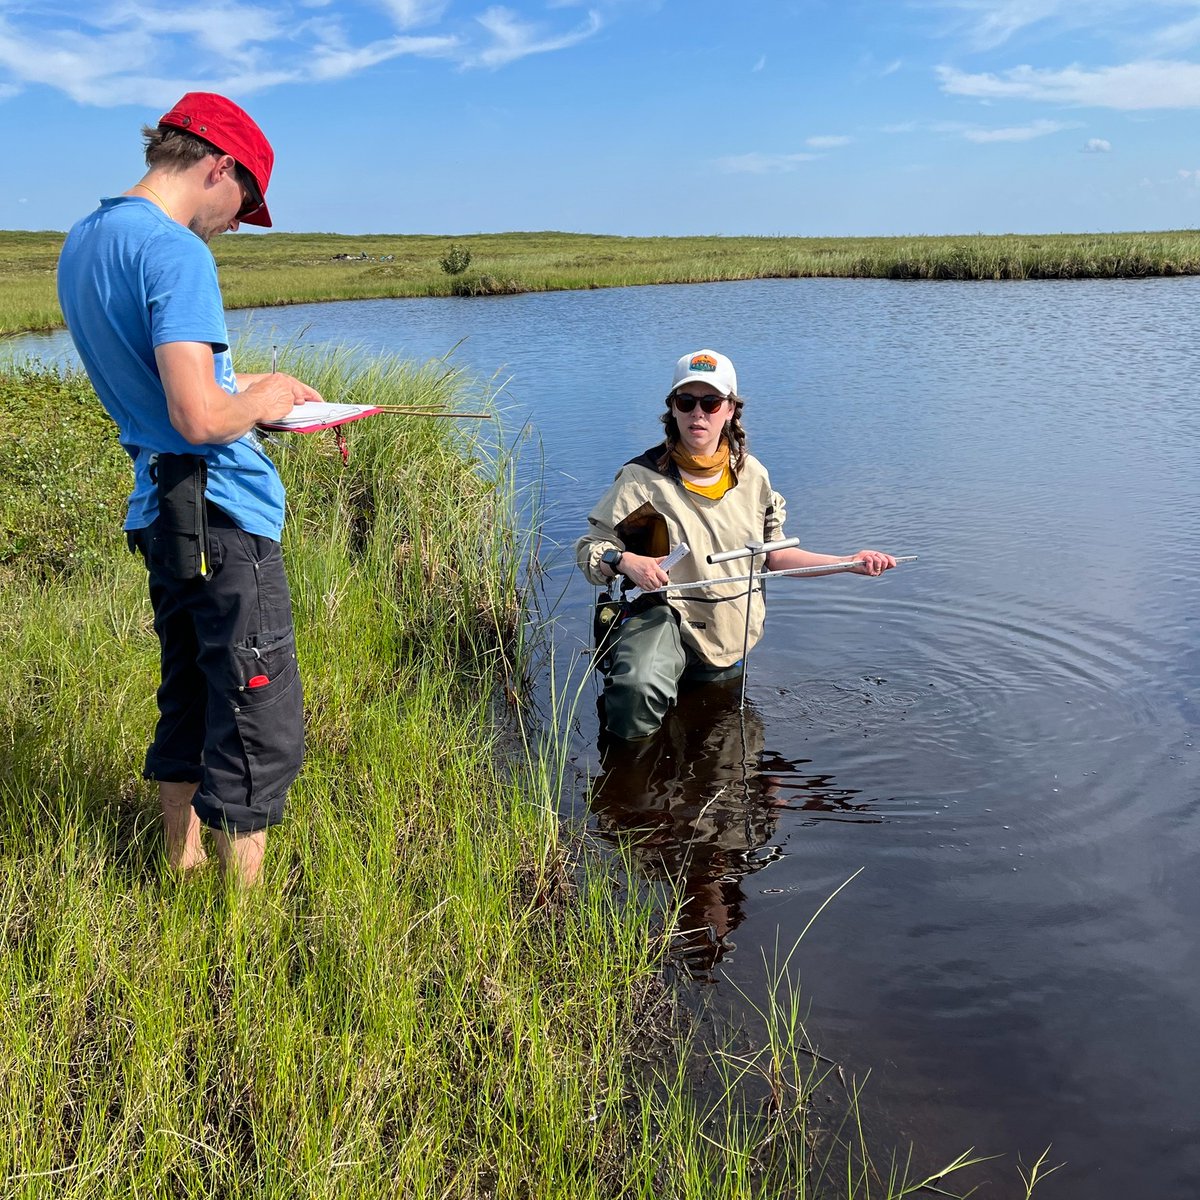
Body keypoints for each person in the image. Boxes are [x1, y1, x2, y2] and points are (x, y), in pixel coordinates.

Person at [57, 92, 322, 885]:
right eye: (247, 201)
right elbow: (200, 414)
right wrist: (266, 398)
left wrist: (248, 406)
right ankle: (245, 924)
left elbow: (160, 403)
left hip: (161, 504)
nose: (238, 222)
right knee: (257, 710)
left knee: (190, 688)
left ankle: (182, 860)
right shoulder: (175, 252)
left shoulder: (84, 240)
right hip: (222, 514)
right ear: (219, 165)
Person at [575, 349, 896, 740]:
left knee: (717, 728)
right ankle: (628, 784)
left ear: (730, 410)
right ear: (672, 409)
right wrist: (624, 560)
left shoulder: (753, 475)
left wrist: (848, 562)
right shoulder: (640, 480)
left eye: (711, 402)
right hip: (663, 614)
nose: (698, 413)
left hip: (729, 627)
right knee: (637, 688)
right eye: (686, 401)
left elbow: (775, 556)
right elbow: (591, 547)